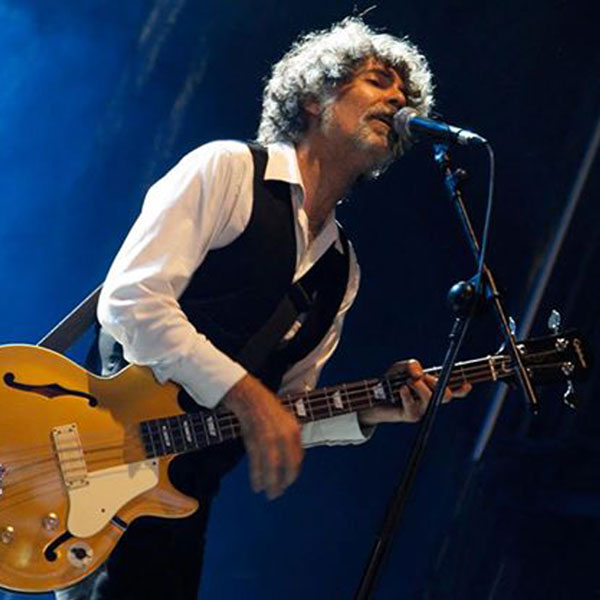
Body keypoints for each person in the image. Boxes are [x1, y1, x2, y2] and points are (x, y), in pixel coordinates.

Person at [56, 16, 469, 600]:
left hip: (179, 505)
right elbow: (131, 302)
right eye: (378, 82)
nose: (398, 99)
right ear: (313, 98)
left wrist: (376, 409)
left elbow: (286, 408)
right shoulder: (228, 170)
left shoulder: (342, 270)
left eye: (405, 94)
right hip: (98, 455)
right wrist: (245, 394)